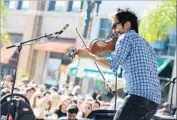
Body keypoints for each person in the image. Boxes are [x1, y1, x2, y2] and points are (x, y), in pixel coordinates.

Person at [76, 8, 161, 120]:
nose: (113, 30)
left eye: (115, 25)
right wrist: (121, 84)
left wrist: (89, 56)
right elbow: (144, 74)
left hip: (138, 98)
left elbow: (112, 63)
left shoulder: (126, 37)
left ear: (127, 25)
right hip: (154, 102)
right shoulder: (146, 44)